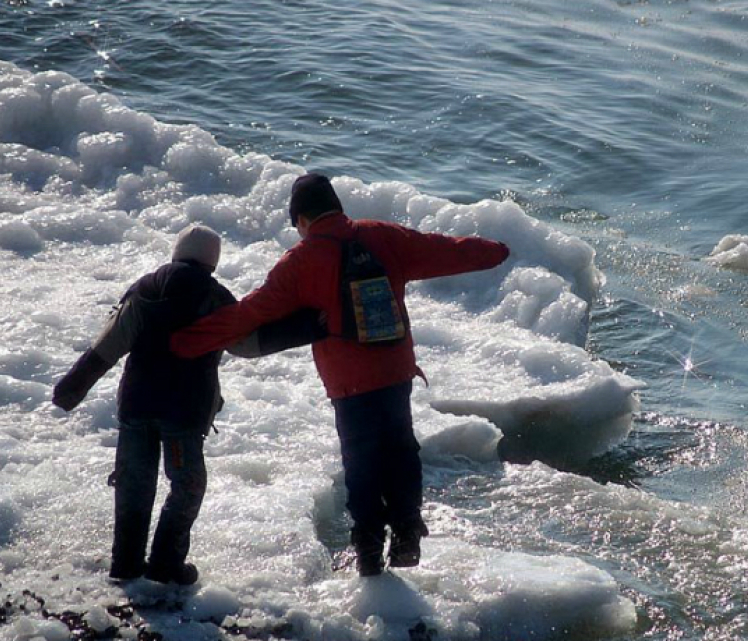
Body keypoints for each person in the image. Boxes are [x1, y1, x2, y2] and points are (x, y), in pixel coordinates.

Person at [170, 173, 510, 576]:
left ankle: (367, 551)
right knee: (401, 449)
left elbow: (250, 313)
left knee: (361, 460)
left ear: (301, 219)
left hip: (349, 383)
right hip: (395, 369)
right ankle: (406, 534)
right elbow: (445, 250)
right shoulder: (383, 236)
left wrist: (185, 341)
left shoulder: (300, 261)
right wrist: (496, 250)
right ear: (336, 205)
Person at [53, 225, 324, 585]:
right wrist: (310, 326)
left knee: (134, 484)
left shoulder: (144, 290)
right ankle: (166, 563)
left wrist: (71, 390)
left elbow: (106, 347)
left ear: (176, 252)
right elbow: (248, 344)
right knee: (187, 486)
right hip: (182, 414)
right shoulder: (215, 297)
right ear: (213, 262)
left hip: (137, 407)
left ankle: (125, 566)